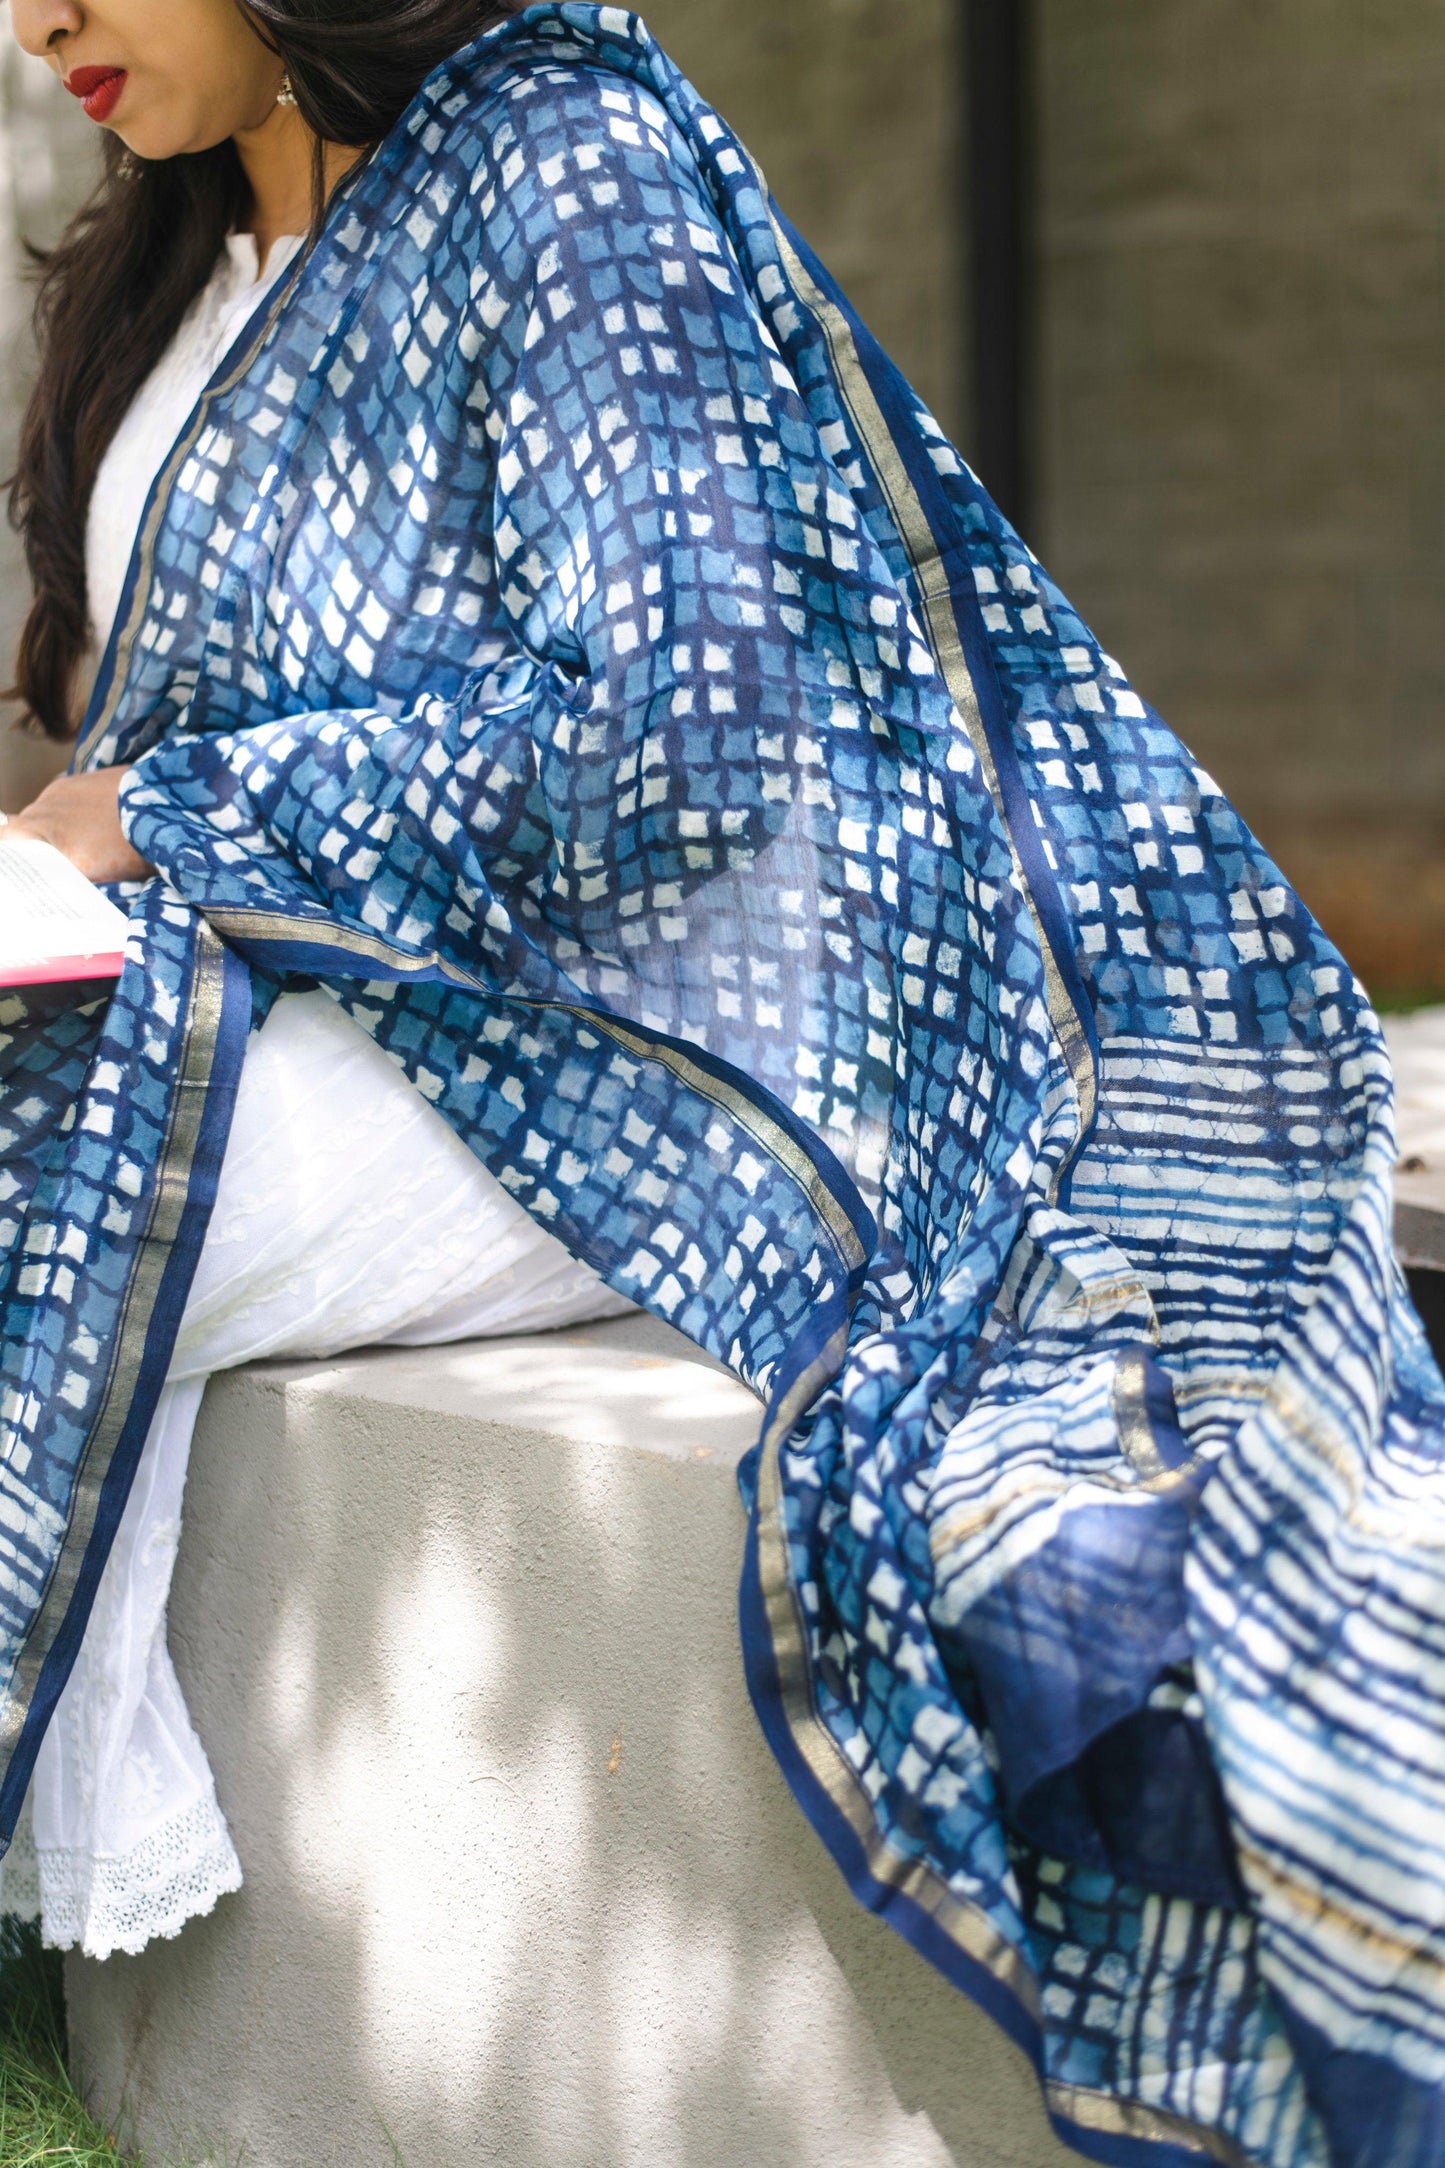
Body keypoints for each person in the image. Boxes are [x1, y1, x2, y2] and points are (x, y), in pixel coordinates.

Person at [0, 4, 1440, 2162]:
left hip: (591, 1044)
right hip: (262, 982)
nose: (41, 21)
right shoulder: (170, 243)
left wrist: (152, 813)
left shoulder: (558, 155)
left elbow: (682, 695)